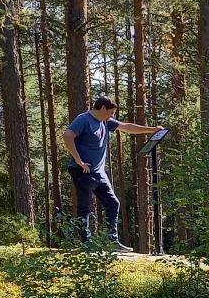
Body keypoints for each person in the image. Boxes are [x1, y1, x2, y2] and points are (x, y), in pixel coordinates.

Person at [62, 95, 163, 251]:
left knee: (113, 203)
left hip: (98, 172)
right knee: (85, 206)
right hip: (82, 170)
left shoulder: (105, 122)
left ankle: (112, 241)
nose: (111, 116)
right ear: (103, 108)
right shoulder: (84, 119)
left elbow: (127, 127)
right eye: (110, 112)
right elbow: (67, 135)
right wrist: (79, 160)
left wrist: (152, 130)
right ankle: (86, 242)